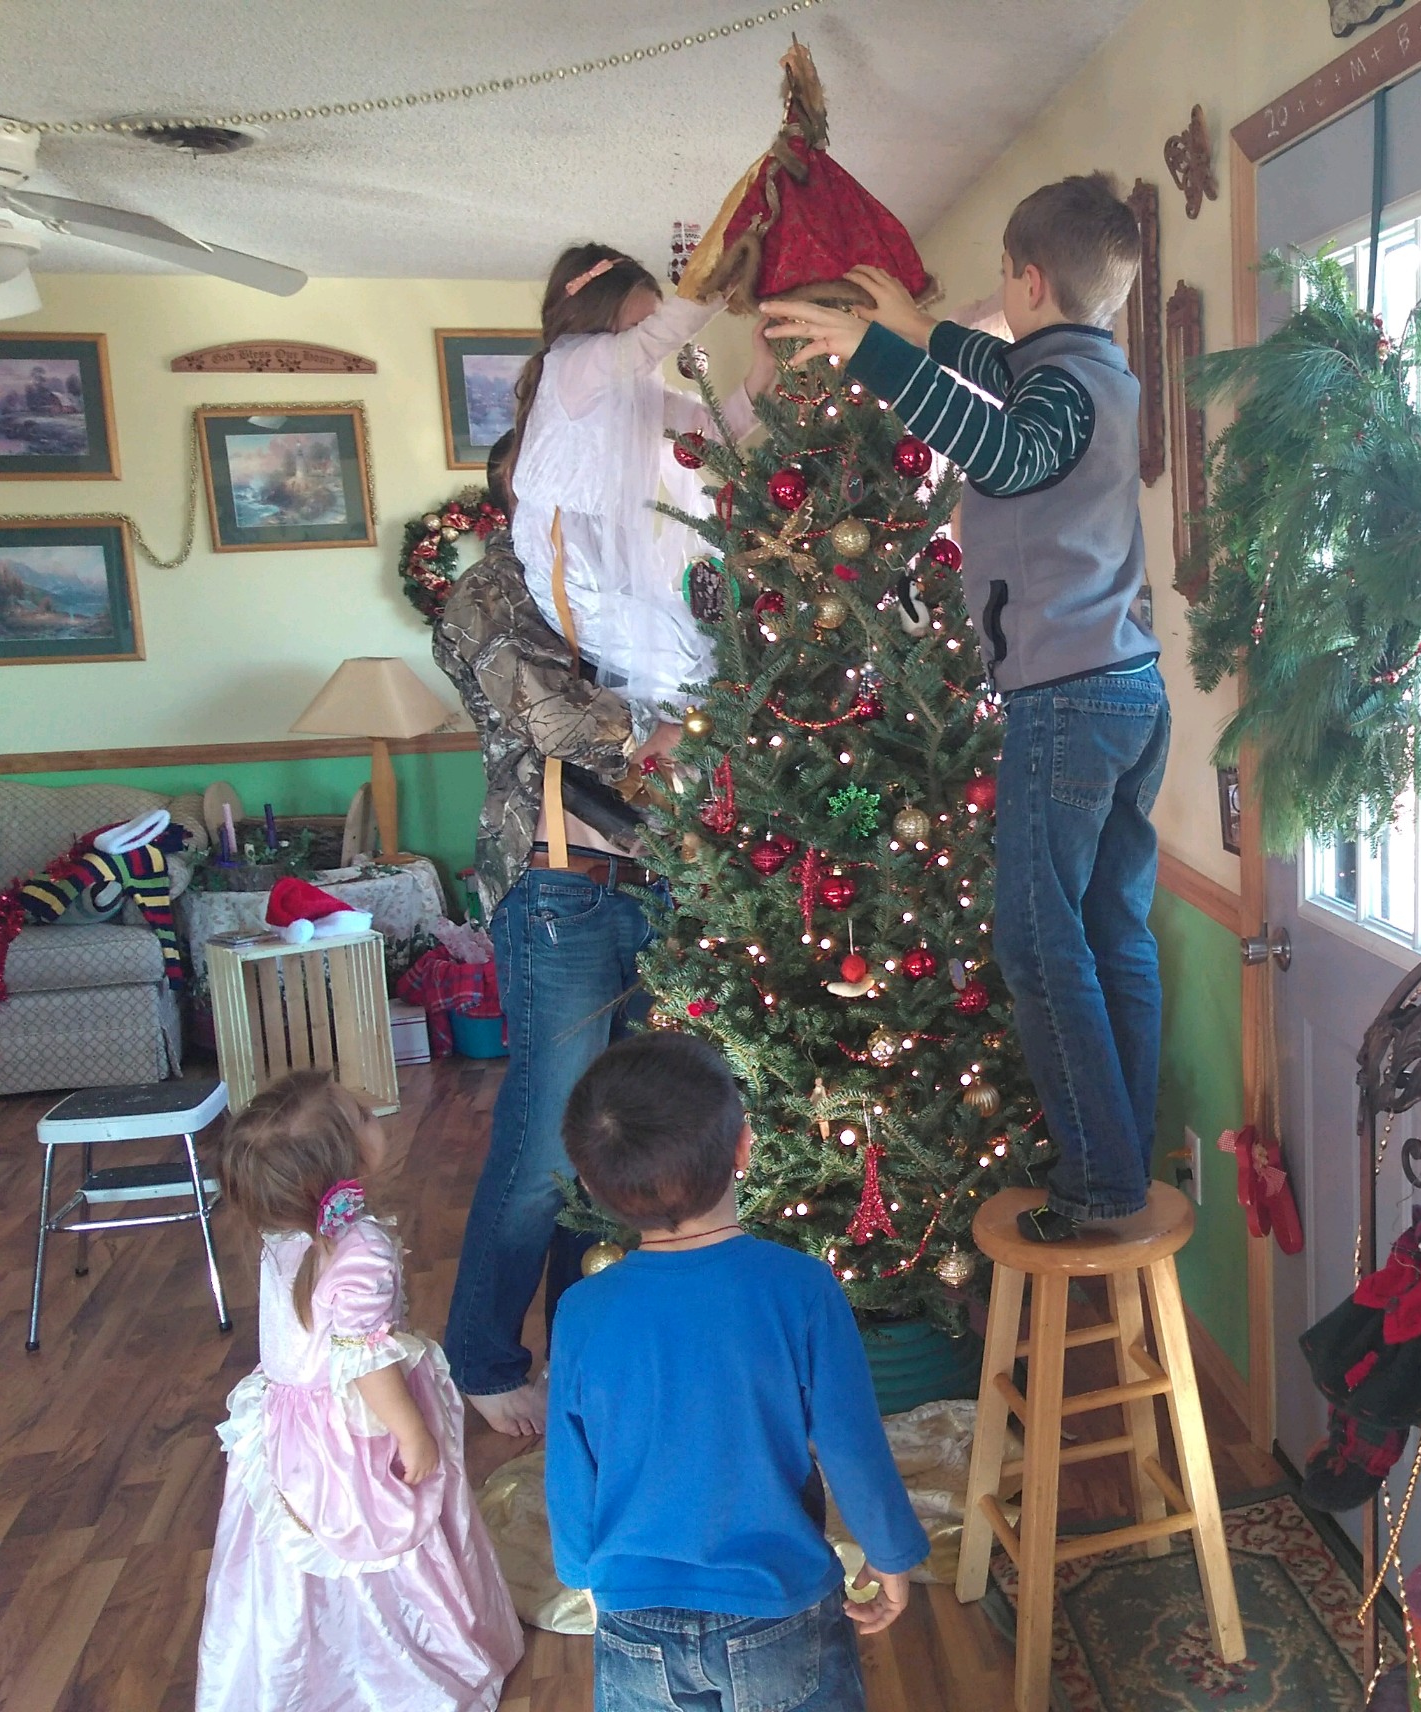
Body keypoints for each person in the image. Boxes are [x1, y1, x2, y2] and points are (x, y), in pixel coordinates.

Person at [759, 174, 1166, 1244]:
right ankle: (1124, 1155)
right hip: (1126, 688)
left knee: (1038, 944)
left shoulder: (1059, 395)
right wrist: (922, 331)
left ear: (1025, 281)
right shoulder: (1094, 371)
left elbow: (1007, 448)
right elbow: (1010, 378)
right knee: (1111, 930)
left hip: (1068, 697)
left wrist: (877, 354)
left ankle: (1100, 1182)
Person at [439, 422, 708, 1437]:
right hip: (558, 890)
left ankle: (579, 1346)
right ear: (511, 487)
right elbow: (553, 719)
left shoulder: (628, 575)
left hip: (655, 881)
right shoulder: (491, 590)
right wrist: (671, 728)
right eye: (547, 469)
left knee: (617, 1137)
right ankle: (481, 1357)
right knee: (545, 1141)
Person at [549, 1034, 928, 1711]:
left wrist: (579, 1567)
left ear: (592, 1184)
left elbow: (570, 1465)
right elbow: (852, 1443)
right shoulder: (800, 1289)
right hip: (776, 1603)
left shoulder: (581, 1311)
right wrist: (890, 1550)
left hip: (632, 1612)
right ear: (744, 1147)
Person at [197, 1071, 523, 1711]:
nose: (378, 1117)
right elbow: (367, 1367)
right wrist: (412, 1432)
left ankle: (311, 1670)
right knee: (386, 1531)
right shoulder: (359, 1248)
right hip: (358, 1431)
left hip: (292, 1429)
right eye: (365, 1117)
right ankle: (398, 1669)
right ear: (338, 1162)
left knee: (303, 1555)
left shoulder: (283, 1232)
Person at [506, 241, 774, 718]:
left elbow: (711, 433)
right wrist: (724, 280)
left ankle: (685, 746)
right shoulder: (576, 364)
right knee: (686, 667)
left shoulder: (634, 386)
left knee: (700, 656)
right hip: (567, 554)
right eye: (638, 326)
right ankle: (678, 747)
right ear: (597, 315)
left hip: (607, 550)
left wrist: (764, 367)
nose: (650, 343)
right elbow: (655, 341)